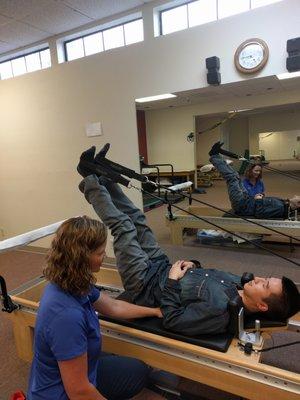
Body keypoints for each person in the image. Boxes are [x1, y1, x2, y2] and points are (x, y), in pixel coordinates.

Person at [76, 144, 300, 337]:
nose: (258, 278)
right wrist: (194, 264)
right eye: (266, 278)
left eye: (265, 284)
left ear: (261, 305)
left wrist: (173, 282)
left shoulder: (220, 313)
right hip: (162, 265)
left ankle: (89, 179)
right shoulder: (239, 283)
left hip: (144, 284)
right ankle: (102, 177)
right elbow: (204, 277)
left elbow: (172, 319)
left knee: (124, 227)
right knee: (138, 219)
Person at [27, 216, 165, 400]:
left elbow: (114, 306)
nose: (105, 256)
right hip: (61, 395)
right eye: (100, 253)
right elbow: (79, 392)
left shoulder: (72, 282)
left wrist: (155, 311)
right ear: (82, 257)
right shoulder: (66, 316)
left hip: (81, 377)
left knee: (136, 371)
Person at [209, 141, 300, 219]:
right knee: (235, 175)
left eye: (298, 198)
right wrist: (260, 197)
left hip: (242, 205)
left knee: (232, 177)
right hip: (247, 200)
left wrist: (259, 200)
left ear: (297, 204)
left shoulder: (280, 207)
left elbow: (259, 214)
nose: (296, 195)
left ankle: (214, 155)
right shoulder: (284, 204)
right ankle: (216, 155)